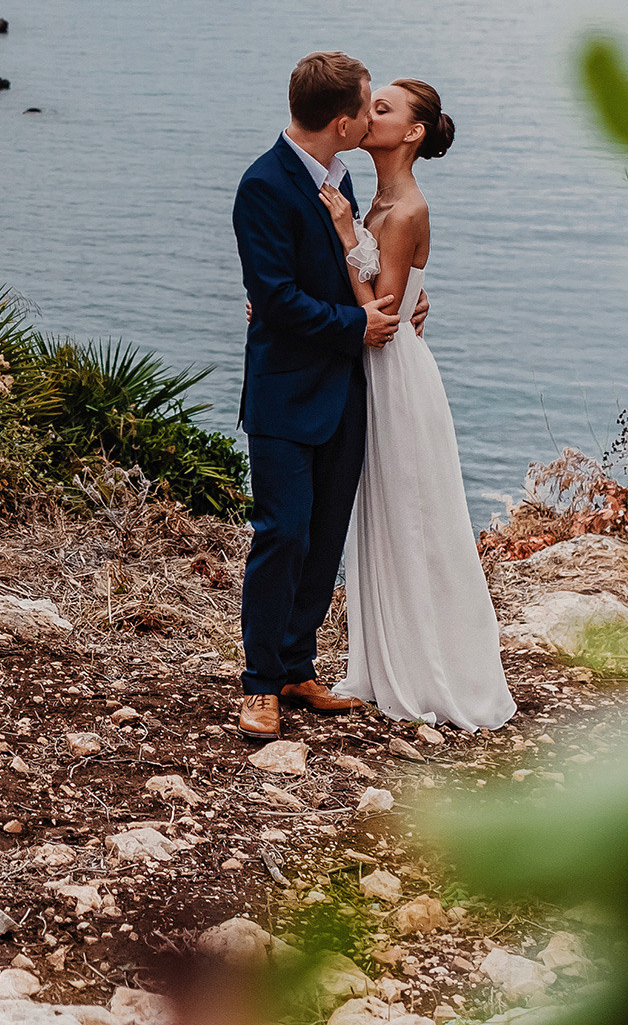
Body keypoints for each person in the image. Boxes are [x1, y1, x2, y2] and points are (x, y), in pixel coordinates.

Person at [319, 79, 514, 730]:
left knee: (412, 517)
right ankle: (382, 658)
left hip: (397, 375)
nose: (366, 114)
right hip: (377, 365)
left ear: (412, 133)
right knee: (379, 514)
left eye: (382, 109)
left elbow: (381, 304)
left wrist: (347, 231)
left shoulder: (403, 211)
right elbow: (396, 298)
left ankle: (431, 668)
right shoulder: (374, 199)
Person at [231, 52, 399, 741]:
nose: (371, 117)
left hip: (344, 393)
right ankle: (260, 683)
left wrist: (396, 304)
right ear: (341, 120)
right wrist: (359, 325)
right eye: (367, 106)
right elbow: (274, 300)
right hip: (284, 395)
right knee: (283, 534)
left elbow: (346, 270)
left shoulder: (341, 176)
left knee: (325, 536)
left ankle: (299, 666)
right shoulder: (263, 185)